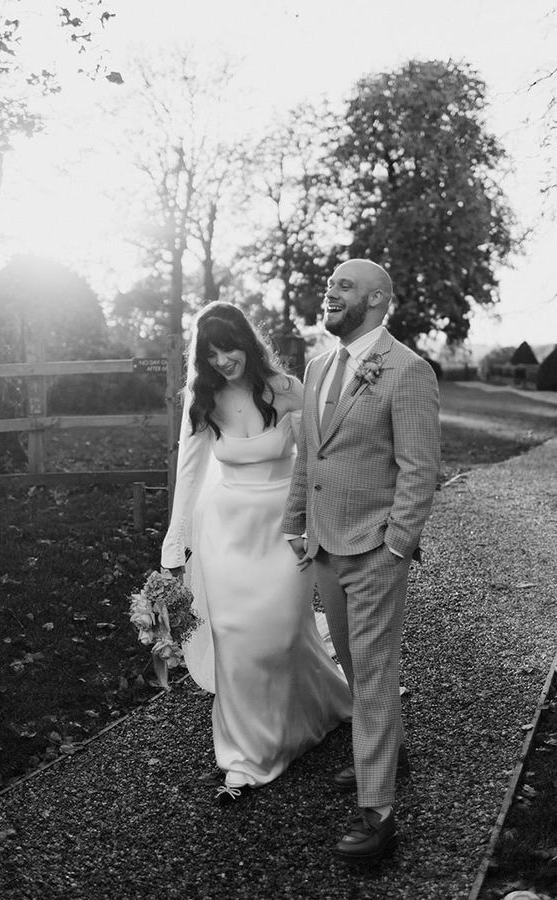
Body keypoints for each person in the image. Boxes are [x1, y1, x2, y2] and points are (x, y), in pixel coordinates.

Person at [160, 301, 352, 805]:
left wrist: (327, 519)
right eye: (213, 352)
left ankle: (319, 709)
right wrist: (174, 547)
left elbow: (324, 456)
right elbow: (190, 471)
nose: (224, 360)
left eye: (230, 347)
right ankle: (243, 757)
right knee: (234, 635)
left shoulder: (286, 390)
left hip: (285, 528)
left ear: (247, 340)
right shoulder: (202, 398)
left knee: (284, 633)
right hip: (226, 531)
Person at [282, 259, 441, 863]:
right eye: (329, 286)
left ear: (377, 299)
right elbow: (308, 459)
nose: (330, 292)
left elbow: (419, 469)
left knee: (373, 672)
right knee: (352, 661)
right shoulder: (319, 365)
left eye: (343, 286)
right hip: (324, 546)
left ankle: (378, 815)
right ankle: (389, 749)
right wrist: (296, 524)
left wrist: (397, 546)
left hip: (376, 548)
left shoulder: (408, 371)